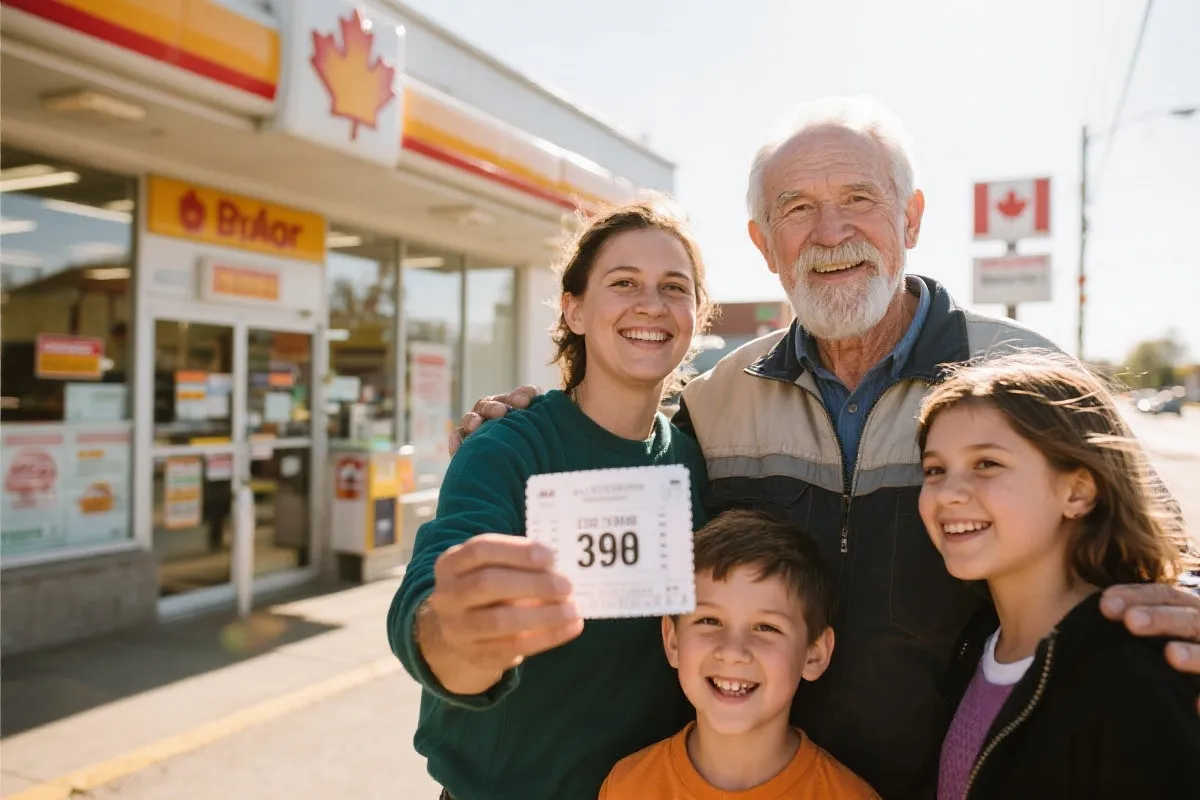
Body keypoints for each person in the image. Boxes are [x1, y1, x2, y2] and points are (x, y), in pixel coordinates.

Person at [451, 96, 1200, 799]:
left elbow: (1158, 546)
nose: (831, 232)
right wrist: (527, 413)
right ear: (765, 243)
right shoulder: (718, 397)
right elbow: (620, 439)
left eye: (859, 199)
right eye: (798, 209)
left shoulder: (1022, 375)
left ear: (910, 218)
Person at [387, 199, 714, 799]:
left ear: (698, 316)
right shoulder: (507, 449)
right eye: (624, 283)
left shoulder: (694, 464)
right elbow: (432, 600)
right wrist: (459, 636)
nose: (652, 304)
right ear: (575, 309)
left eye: (675, 287)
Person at [918, 353, 1200, 799]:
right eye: (934, 470)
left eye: (986, 463)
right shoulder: (972, 644)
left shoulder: (1135, 673)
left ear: (1078, 490)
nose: (949, 493)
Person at [600, 509, 878, 799]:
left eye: (766, 627)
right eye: (709, 621)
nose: (733, 652)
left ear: (814, 655)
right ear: (672, 641)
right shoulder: (626, 787)